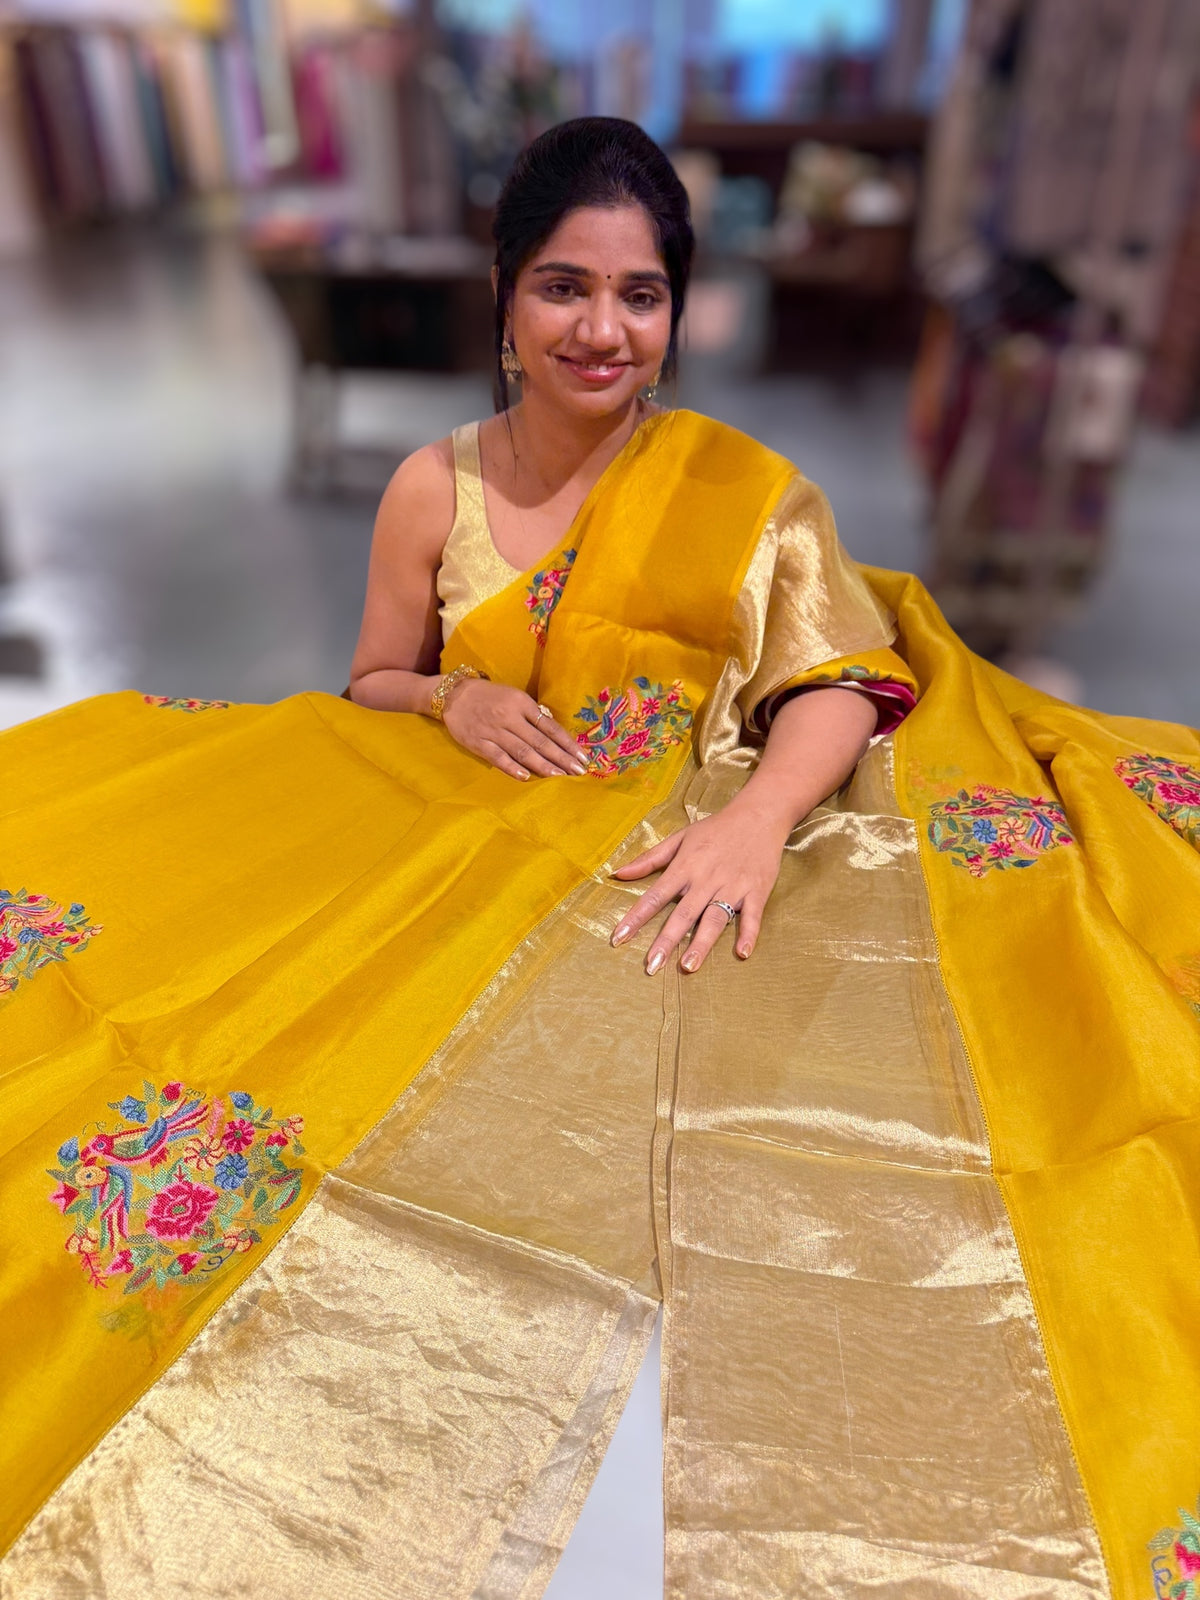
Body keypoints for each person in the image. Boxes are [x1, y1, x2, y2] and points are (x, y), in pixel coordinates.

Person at [1, 118, 1198, 1600]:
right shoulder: (432, 493)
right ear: (505, 298)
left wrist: (757, 823)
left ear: (679, 311)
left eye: (642, 295)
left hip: (691, 819)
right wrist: (457, 693)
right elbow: (373, 677)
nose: (603, 329)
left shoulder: (737, 486)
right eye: (566, 288)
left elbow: (835, 681)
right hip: (498, 808)